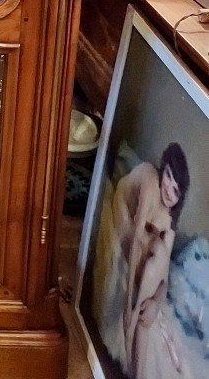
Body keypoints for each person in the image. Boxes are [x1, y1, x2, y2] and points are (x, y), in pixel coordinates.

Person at [99, 143, 192, 378]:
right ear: (163, 170)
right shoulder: (150, 180)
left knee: (161, 250)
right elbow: (135, 244)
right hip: (124, 210)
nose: (169, 189)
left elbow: (164, 278)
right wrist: (129, 306)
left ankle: (140, 320)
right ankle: (133, 326)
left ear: (180, 197)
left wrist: (155, 304)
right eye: (168, 177)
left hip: (143, 236)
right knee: (153, 252)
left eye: (176, 190)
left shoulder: (169, 221)